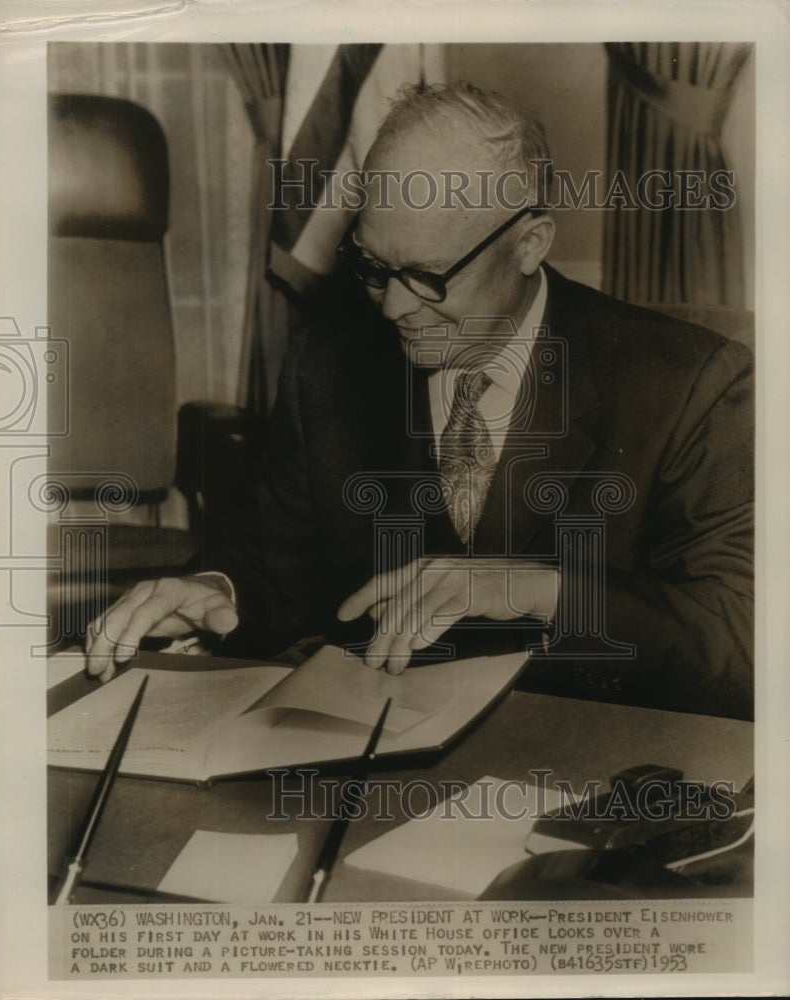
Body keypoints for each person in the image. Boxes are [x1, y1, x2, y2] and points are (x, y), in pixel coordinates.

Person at [86, 83, 753, 719]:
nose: (394, 309)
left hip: (585, 760)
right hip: (370, 752)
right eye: (374, 268)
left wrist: (534, 590)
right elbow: (274, 563)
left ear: (529, 244)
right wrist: (214, 591)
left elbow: (743, 643)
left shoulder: (688, 384)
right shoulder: (327, 365)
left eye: (429, 278)